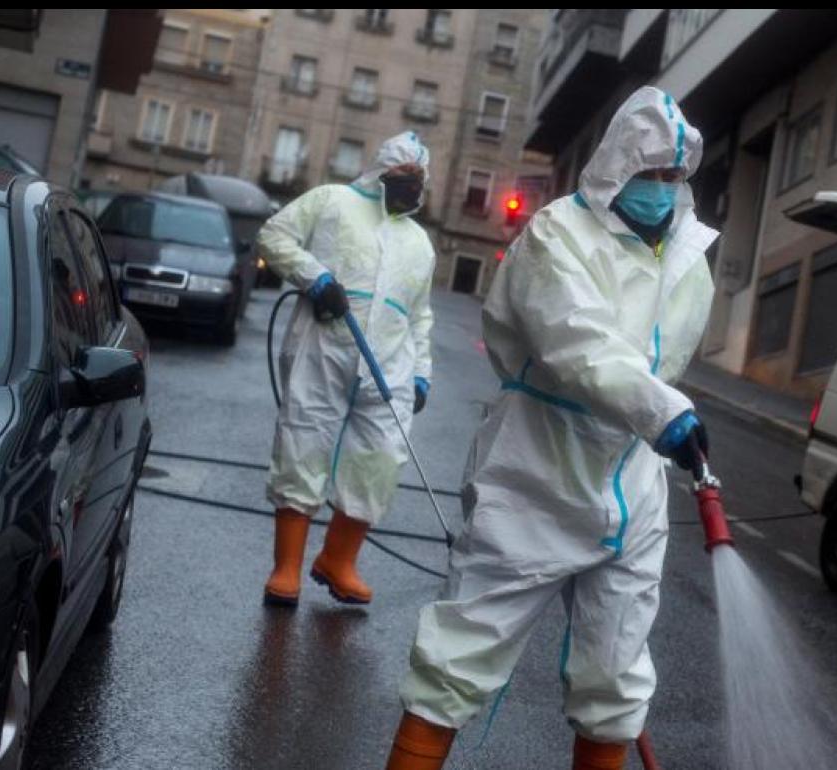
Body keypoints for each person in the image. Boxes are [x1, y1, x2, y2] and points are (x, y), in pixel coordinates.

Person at [385, 87, 717, 770]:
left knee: (618, 679)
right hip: (535, 468)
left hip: (630, 481)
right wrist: (665, 411)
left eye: (671, 176)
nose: (660, 189)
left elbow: (666, 354)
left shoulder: (688, 256)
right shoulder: (557, 234)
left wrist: (660, 417)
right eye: (648, 171)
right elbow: (578, 344)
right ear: (617, 164)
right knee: (459, 654)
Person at [257, 131, 436, 607]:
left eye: (419, 178)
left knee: (379, 462)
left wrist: (422, 371)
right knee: (303, 445)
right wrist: (314, 277)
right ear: (381, 170)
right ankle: (287, 568)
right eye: (403, 174)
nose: (412, 184)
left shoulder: (420, 243)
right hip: (323, 347)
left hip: (389, 367)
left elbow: (419, 315)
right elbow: (274, 235)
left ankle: (337, 561)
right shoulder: (332, 201)